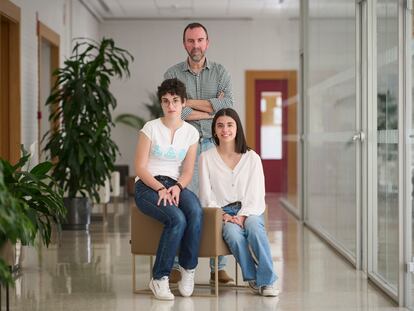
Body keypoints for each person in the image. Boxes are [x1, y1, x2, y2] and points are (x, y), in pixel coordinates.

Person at [164, 22, 234, 285]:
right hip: (184, 148)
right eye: (191, 41)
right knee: (180, 204)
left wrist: (188, 102)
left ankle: (219, 267)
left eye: (200, 40)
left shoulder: (220, 72)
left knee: (217, 204)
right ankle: (174, 265)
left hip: (216, 147)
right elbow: (174, 111)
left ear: (208, 42)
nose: (196, 45)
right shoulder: (172, 73)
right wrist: (210, 109)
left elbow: (227, 107)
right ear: (185, 44)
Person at [134, 78, 203, 300]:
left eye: (175, 100)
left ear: (183, 103)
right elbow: (140, 168)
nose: (170, 105)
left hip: (174, 184)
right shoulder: (150, 128)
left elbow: (187, 171)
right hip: (147, 185)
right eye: (165, 101)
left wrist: (178, 187)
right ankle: (159, 278)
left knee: (194, 210)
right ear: (161, 103)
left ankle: (188, 269)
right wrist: (160, 189)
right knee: (177, 219)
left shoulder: (191, 133)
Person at [199, 108, 279, 297]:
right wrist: (224, 215)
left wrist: (243, 215)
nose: (225, 130)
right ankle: (253, 278)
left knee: (253, 227)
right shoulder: (206, 158)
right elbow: (205, 195)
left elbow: (257, 192)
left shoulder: (252, 158)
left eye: (229, 125)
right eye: (220, 125)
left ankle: (268, 281)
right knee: (232, 234)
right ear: (214, 130)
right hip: (222, 213)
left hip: (250, 209)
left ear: (237, 128)